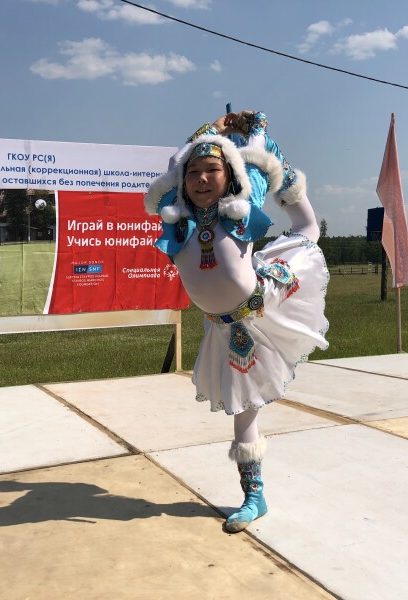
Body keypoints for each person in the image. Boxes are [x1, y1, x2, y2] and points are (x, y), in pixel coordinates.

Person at [144, 111, 329, 533]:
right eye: (194, 172)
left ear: (230, 176)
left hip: (263, 306)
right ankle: (255, 496)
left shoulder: (238, 212)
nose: (201, 178)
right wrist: (215, 126)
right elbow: (176, 161)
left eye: (212, 170)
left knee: (306, 231)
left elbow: (261, 166)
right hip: (222, 327)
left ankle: (253, 496)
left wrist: (256, 138)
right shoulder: (177, 219)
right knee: (244, 410)